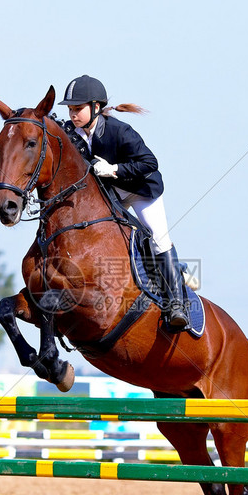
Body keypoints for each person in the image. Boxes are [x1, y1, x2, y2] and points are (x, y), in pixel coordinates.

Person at [58, 74, 188, 330]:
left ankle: (177, 304)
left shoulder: (119, 130)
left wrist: (115, 170)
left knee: (158, 237)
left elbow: (150, 163)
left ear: (96, 107)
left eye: (78, 109)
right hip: (113, 192)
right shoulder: (73, 131)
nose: (73, 115)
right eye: (71, 109)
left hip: (141, 188)